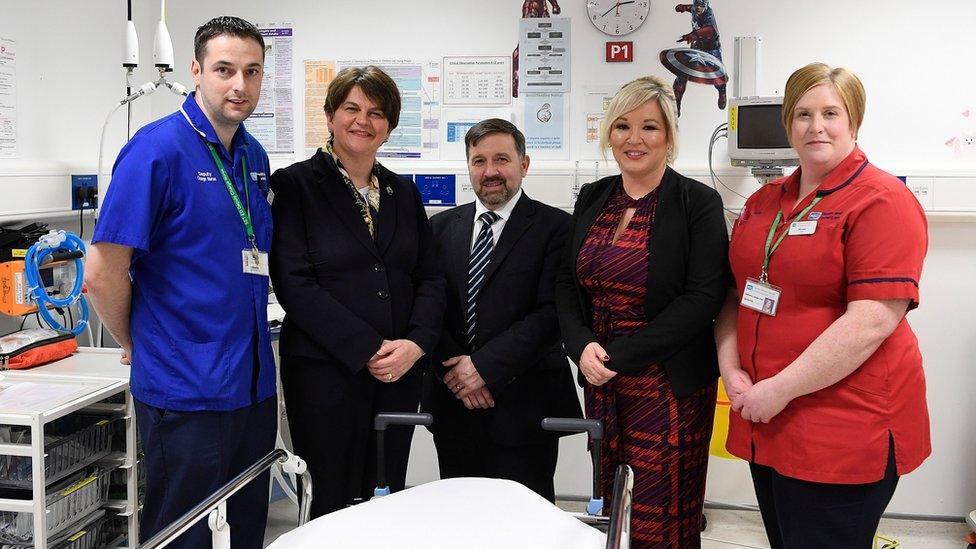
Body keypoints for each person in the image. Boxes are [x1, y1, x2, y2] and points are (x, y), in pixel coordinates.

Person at [715, 63, 930, 548]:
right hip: (766, 416)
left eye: (831, 113)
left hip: (842, 427)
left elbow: (873, 320)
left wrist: (778, 390)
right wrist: (730, 371)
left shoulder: (881, 201)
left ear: (854, 120)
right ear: (788, 123)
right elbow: (734, 293)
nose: (816, 127)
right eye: (803, 114)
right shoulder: (765, 202)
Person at [85, 16, 275, 548]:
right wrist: (134, 341)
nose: (239, 85)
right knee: (185, 535)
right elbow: (101, 272)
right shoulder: (156, 151)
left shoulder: (252, 156)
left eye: (252, 71)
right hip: (186, 392)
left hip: (253, 386)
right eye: (224, 70)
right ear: (195, 71)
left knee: (244, 533)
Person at [555, 75, 728, 548]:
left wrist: (618, 358)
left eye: (649, 127)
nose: (635, 139)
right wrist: (582, 347)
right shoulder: (594, 196)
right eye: (623, 126)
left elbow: (702, 298)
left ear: (669, 136)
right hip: (601, 377)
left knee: (663, 513)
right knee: (612, 503)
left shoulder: (698, 202)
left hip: (667, 384)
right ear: (608, 133)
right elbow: (568, 285)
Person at [269, 66, 444, 518]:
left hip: (399, 374)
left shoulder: (403, 191)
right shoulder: (295, 185)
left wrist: (415, 344)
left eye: (377, 112)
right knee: (330, 498)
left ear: (389, 126)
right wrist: (367, 347)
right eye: (351, 108)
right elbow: (294, 283)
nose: (363, 120)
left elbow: (429, 276)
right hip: (327, 374)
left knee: (386, 495)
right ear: (330, 116)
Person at [424, 118, 581, 502]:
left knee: (524, 523)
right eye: (479, 161)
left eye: (501, 159)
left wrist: (483, 370)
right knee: (460, 518)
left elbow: (551, 315)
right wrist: (458, 373)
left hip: (524, 409)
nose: (490, 172)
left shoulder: (558, 228)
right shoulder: (441, 227)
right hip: (454, 404)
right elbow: (428, 306)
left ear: (524, 164)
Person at [673, 0, 726, 114]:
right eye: (697, 6)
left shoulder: (708, 15)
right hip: (697, 46)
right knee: (682, 73)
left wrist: (693, 35)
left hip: (712, 49)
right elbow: (690, 8)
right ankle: (676, 101)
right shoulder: (695, 8)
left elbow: (710, 30)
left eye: (701, 7)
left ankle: (722, 92)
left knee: (718, 74)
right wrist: (682, 8)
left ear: (706, 6)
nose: (698, 9)